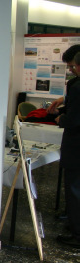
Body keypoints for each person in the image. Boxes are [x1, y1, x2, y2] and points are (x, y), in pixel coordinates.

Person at [53, 48, 80, 248]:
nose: (70, 70)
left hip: (76, 147)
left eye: (71, 66)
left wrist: (61, 118)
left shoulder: (77, 87)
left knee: (75, 189)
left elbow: (74, 119)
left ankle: (77, 233)